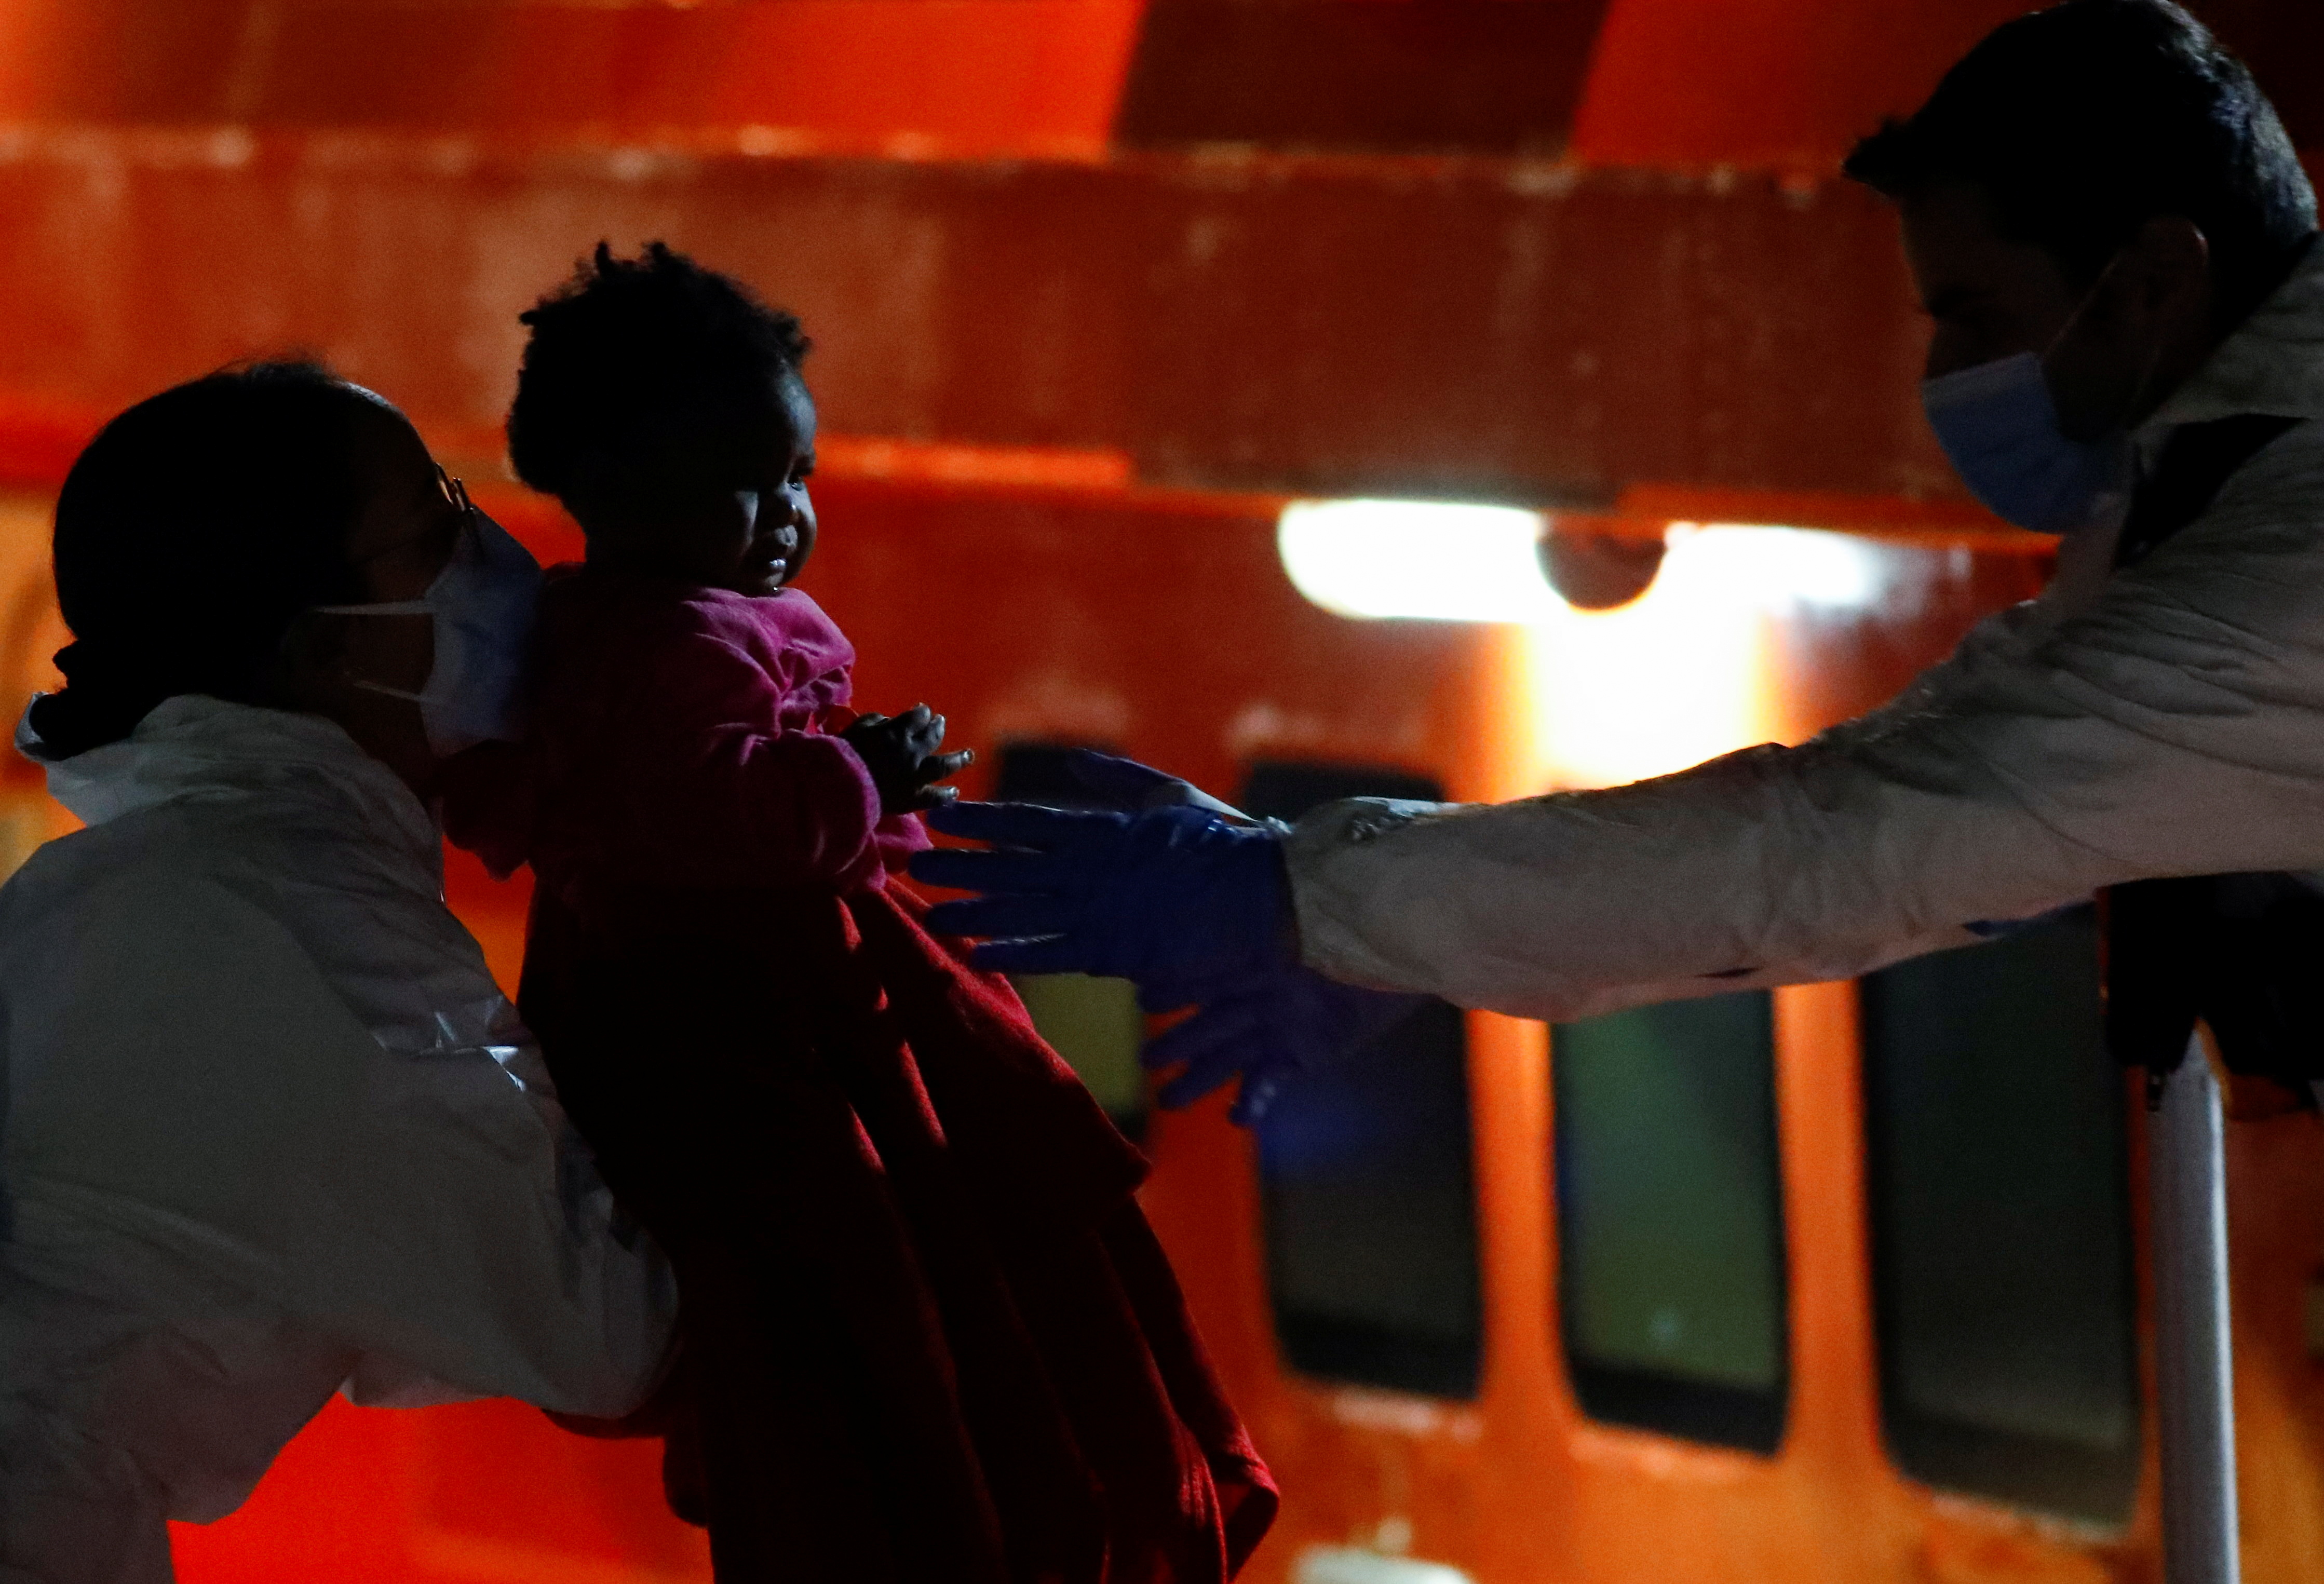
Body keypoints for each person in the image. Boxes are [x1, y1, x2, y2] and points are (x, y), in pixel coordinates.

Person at [912, 0, 2324, 1117]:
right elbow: (1951, 750)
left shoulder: (2275, 558)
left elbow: (1854, 836)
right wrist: (1410, 927)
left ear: (2147, 279)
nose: (1946, 371)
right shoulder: (2213, 493)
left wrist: (1293, 895)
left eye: (1970, 311)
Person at [495, 243, 1276, 1584]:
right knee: (919, 1277)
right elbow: (707, 812)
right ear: (609, 484)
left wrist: (852, 765)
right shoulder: (649, 647)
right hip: (769, 1018)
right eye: (742, 483)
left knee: (931, 1298)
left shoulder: (639, 631)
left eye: (795, 476)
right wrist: (860, 775)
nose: (786, 516)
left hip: (794, 988)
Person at [0, 363, 675, 1583]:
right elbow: (613, 1330)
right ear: (323, 650)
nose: (487, 555)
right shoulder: (289, 935)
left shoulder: (165, 880)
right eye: (433, 532)